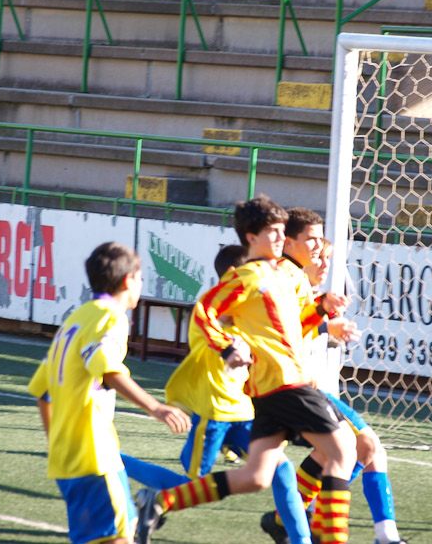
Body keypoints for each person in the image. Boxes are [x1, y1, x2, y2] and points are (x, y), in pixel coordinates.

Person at [135, 195, 358, 544]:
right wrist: (226, 347)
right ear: (251, 237)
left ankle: (160, 500)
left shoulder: (283, 274)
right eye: (273, 232)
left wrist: (323, 310)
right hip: (285, 382)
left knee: (257, 476)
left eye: (283, 231)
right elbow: (204, 312)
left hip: (270, 390)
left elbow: (297, 324)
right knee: (343, 450)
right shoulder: (247, 276)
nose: (281, 238)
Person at [28, 241, 191, 544]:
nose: (141, 285)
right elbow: (106, 368)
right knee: (120, 539)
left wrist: (56, 443)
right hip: (96, 455)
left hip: (66, 457)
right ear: (129, 280)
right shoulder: (111, 317)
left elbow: (42, 391)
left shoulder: (75, 320)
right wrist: (156, 407)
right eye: (141, 278)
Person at [267, 216, 406, 544]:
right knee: (363, 445)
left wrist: (326, 317)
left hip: (303, 387)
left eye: (327, 256)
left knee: (359, 450)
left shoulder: (305, 288)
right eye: (318, 254)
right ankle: (299, 518)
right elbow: (284, 331)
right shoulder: (289, 280)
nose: (323, 261)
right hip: (293, 389)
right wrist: (324, 323)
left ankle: (380, 534)